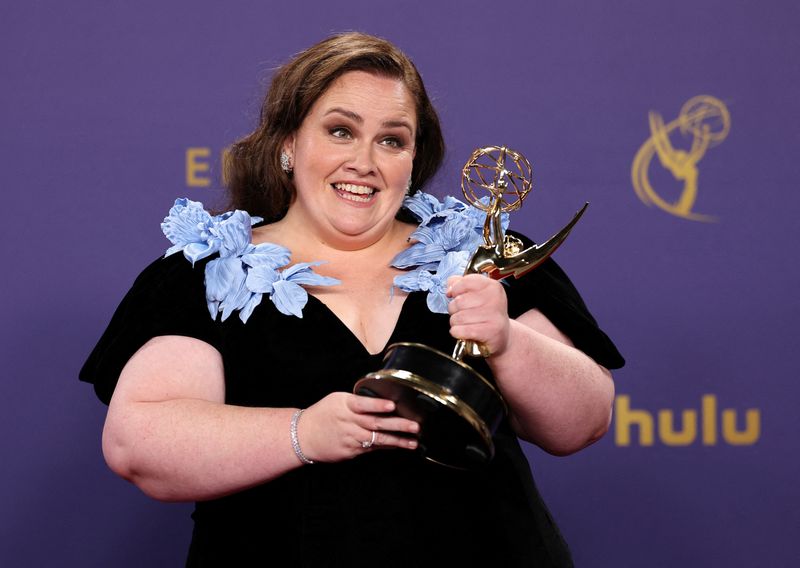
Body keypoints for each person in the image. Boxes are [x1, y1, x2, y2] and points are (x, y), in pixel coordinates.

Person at [80, 32, 624, 566]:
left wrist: (508, 341)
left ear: (413, 159)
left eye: (392, 140)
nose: (364, 161)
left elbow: (584, 422)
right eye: (341, 131)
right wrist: (301, 433)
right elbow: (139, 446)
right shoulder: (203, 270)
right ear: (288, 144)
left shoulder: (488, 253)